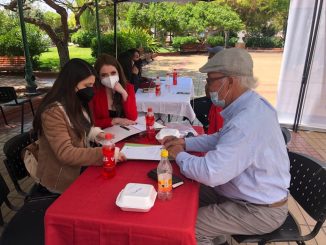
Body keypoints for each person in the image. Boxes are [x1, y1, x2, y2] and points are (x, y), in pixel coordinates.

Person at [163, 48, 290, 245]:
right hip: (243, 194)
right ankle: (219, 238)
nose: (207, 86)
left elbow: (211, 173)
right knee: (184, 189)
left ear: (230, 81)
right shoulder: (249, 104)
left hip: (259, 210)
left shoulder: (247, 121)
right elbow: (221, 138)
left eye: (210, 80)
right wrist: (185, 143)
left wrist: (179, 154)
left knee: (190, 227)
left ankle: (211, 236)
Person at [33, 58, 123, 194]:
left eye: (92, 85)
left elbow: (82, 125)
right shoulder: (52, 112)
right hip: (61, 180)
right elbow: (66, 153)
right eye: (87, 86)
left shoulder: (75, 101)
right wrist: (104, 153)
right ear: (71, 84)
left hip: (80, 169)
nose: (91, 90)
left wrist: (97, 134)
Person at [91, 54, 137, 128]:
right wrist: (115, 120)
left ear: (119, 72)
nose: (109, 78)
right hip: (104, 134)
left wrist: (124, 93)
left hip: (124, 132)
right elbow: (92, 122)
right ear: (98, 77)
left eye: (113, 73)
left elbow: (132, 117)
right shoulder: (94, 92)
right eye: (104, 75)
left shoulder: (128, 88)